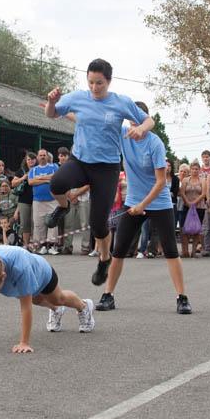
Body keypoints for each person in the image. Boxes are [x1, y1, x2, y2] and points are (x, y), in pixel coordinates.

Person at [44, 58, 154, 284]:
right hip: (80, 160)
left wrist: (141, 129)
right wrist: (51, 102)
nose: (94, 87)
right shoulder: (77, 97)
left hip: (106, 168)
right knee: (56, 184)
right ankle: (63, 207)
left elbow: (149, 121)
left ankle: (104, 259)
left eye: (99, 83)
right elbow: (51, 115)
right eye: (91, 82)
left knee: (98, 224)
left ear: (109, 82)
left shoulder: (120, 103)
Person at [95, 101, 192, 314]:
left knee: (170, 250)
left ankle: (182, 298)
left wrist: (143, 205)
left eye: (137, 120)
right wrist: (62, 110)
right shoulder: (123, 135)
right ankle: (108, 295)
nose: (133, 125)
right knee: (118, 250)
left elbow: (161, 182)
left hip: (159, 202)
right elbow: (92, 121)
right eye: (130, 120)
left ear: (145, 121)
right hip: (133, 202)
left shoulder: (155, 144)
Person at [0, 247, 95, 354]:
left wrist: (24, 343)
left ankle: (83, 306)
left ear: (3, 277)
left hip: (42, 272)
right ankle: (56, 310)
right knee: (36, 300)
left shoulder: (20, 268)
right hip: (20, 273)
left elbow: (25, 307)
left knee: (58, 299)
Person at [29, 149, 59, 255]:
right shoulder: (33, 170)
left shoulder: (54, 167)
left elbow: (56, 178)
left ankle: (51, 246)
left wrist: (40, 178)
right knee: (39, 224)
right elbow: (31, 182)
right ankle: (42, 246)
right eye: (40, 155)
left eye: (44, 155)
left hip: (52, 200)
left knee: (53, 223)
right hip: (38, 201)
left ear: (47, 157)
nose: (42, 157)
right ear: (37, 157)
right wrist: (47, 179)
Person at [180, 162, 206, 257]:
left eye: (196, 169)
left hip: (199, 207)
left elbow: (203, 194)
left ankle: (194, 251)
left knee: (197, 229)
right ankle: (185, 251)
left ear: (199, 170)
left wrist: (194, 202)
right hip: (187, 207)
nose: (195, 171)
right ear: (190, 170)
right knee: (184, 229)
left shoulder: (202, 180)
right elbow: (182, 192)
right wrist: (188, 202)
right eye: (193, 169)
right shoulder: (185, 180)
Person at [11, 152, 37, 250]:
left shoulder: (38, 169)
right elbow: (13, 183)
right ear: (25, 161)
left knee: (35, 223)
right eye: (28, 159)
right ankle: (26, 245)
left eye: (32, 159)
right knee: (25, 223)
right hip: (24, 200)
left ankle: (34, 244)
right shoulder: (21, 171)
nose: (30, 161)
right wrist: (23, 178)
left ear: (36, 160)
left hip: (37, 199)